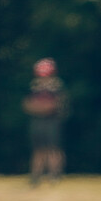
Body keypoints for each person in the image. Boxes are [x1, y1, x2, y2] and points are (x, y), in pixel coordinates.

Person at [23, 58, 69, 186]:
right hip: (38, 121)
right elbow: (27, 104)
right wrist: (41, 108)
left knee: (53, 148)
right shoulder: (34, 86)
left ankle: (55, 175)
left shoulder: (56, 86)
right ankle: (35, 176)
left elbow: (54, 106)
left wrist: (40, 108)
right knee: (38, 149)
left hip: (52, 121)